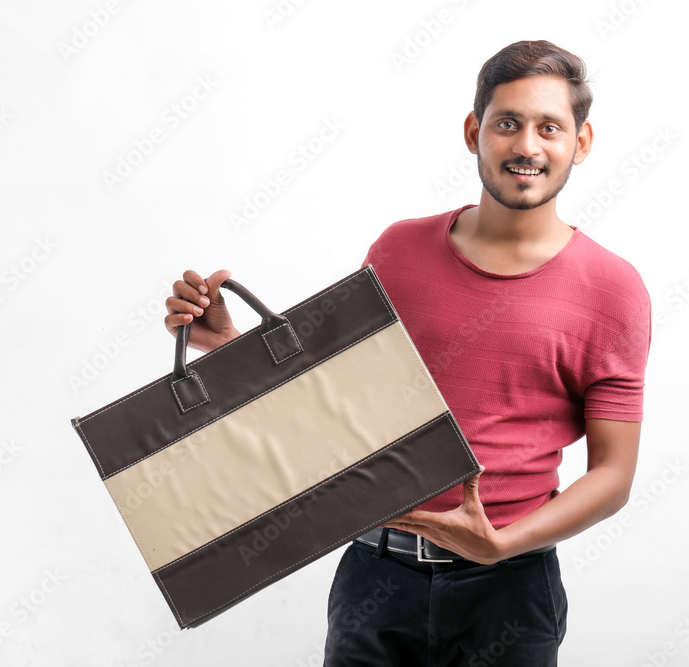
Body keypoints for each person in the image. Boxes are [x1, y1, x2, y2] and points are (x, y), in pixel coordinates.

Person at [163, 40, 650, 666]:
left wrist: (501, 545)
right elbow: (331, 399)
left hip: (509, 589)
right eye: (508, 123)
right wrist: (226, 346)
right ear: (475, 132)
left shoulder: (612, 289)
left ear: (579, 144)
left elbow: (613, 476)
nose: (527, 146)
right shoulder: (399, 251)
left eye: (549, 127)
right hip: (375, 574)